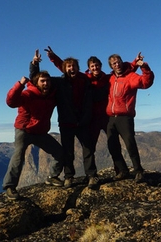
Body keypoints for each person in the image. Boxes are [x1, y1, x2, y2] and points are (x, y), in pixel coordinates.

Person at [44, 46, 140, 176]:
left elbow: (123, 69)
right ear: (89, 68)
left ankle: (121, 171)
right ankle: (91, 175)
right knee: (90, 147)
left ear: (101, 66)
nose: (95, 68)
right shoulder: (85, 78)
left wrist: (135, 62)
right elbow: (67, 68)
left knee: (114, 145)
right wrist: (53, 57)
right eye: (92, 66)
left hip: (107, 117)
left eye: (97, 66)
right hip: (92, 119)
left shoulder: (108, 78)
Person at [30, 50, 98, 189]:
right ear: (64, 69)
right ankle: (69, 177)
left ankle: (91, 176)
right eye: (68, 66)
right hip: (67, 123)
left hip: (83, 121)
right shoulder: (59, 82)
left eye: (74, 66)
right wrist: (35, 64)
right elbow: (36, 79)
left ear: (78, 68)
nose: (71, 68)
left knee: (88, 150)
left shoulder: (85, 81)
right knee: (68, 151)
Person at [2, 62, 64, 200]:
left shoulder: (51, 96)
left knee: (59, 153)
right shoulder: (28, 94)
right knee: (18, 157)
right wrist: (20, 84)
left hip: (40, 131)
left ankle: (52, 177)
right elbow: (11, 102)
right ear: (37, 83)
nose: (46, 83)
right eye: (43, 81)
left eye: (48, 81)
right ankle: (10, 186)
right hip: (24, 130)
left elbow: (65, 78)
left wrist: (35, 64)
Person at [106, 53, 154, 183]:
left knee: (130, 144)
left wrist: (144, 67)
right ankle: (123, 171)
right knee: (113, 146)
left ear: (122, 62)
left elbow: (146, 82)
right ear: (111, 66)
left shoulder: (130, 77)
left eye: (119, 61)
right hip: (110, 117)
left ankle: (138, 171)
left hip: (125, 117)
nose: (117, 64)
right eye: (114, 63)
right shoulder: (110, 78)